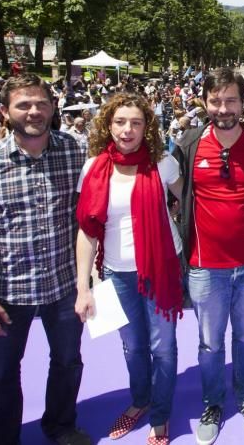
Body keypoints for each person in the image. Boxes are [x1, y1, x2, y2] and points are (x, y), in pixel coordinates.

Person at [0, 74, 89, 445]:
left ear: (52, 107)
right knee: (0, 373)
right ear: (4, 113)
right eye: (23, 104)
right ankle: (0, 439)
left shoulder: (75, 151)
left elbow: (90, 218)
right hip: (6, 290)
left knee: (68, 362)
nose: (34, 111)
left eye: (41, 103)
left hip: (64, 285)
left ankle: (60, 426)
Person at [171, 68, 244, 445]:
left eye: (231, 100)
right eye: (216, 100)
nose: (224, 108)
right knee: (209, 343)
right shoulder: (188, 143)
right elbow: (168, 189)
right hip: (204, 268)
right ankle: (212, 403)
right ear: (204, 102)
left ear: (242, 102)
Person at [74, 94, 183, 444]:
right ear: (108, 124)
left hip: (162, 268)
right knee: (132, 346)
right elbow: (88, 230)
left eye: (136, 122)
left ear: (147, 127)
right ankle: (140, 400)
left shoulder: (163, 163)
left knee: (162, 347)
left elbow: (188, 201)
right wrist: (83, 286)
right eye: (120, 121)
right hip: (116, 273)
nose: (127, 129)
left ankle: (161, 415)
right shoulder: (93, 167)